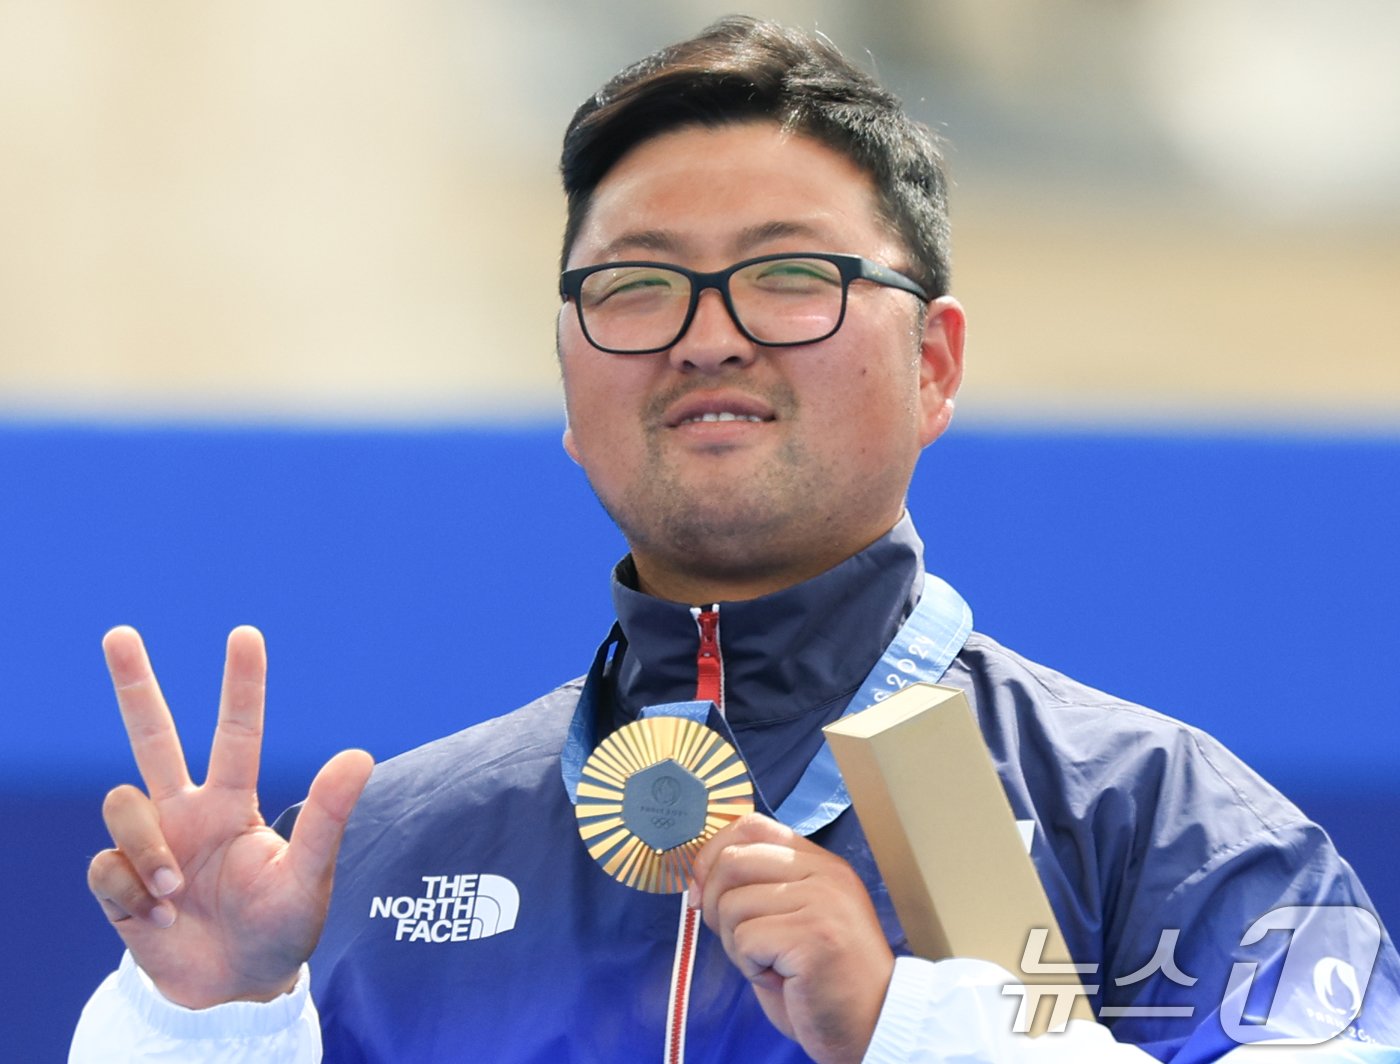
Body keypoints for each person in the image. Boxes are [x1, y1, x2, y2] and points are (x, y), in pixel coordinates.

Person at [72, 15, 1399, 1064]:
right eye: (637, 285)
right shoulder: (373, 857)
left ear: (935, 365)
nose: (710, 332)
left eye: (787, 275)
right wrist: (208, 1021)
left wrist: (908, 1028)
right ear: (568, 383)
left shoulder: (1160, 827)